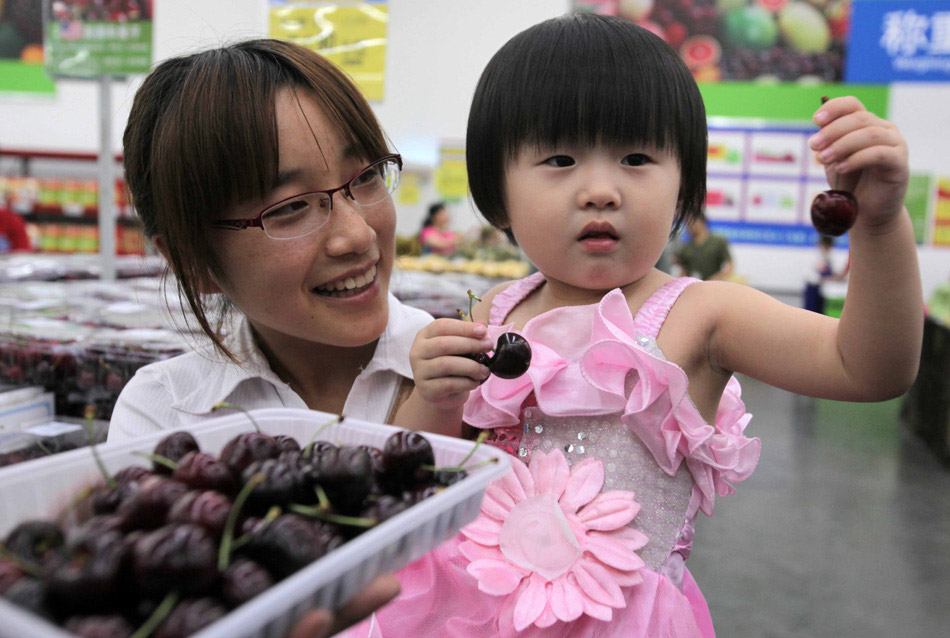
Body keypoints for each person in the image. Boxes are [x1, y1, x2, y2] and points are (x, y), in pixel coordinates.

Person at [356, 13, 922, 637]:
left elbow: (867, 368)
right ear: (498, 194)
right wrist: (433, 394)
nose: (601, 190)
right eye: (560, 158)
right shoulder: (494, 311)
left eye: (635, 157)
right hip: (470, 607)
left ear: (685, 185)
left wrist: (879, 225)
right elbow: (420, 467)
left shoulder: (704, 314)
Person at [108, 39, 473, 636]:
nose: (356, 235)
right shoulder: (165, 417)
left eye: (365, 177)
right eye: (289, 208)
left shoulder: (472, 376)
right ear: (195, 264)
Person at [674, 213, 732, 281]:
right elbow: (684, 271)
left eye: (691, 222)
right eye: (687, 224)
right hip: (694, 285)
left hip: (713, 284)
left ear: (701, 221)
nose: (689, 226)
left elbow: (729, 264)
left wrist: (716, 278)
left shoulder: (718, 242)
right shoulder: (686, 247)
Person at [802, 235, 838, 314]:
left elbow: (830, 271)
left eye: (829, 247)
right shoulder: (812, 255)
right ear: (821, 244)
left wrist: (834, 276)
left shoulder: (829, 256)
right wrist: (821, 279)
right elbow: (808, 275)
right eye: (826, 246)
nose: (828, 249)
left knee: (820, 312)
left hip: (823, 289)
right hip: (812, 288)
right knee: (810, 312)